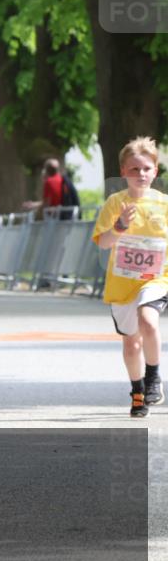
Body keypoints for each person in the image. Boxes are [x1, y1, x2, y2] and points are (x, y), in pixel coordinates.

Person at [92, 137, 167, 417]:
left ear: (155, 171)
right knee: (132, 343)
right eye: (134, 169)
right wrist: (120, 226)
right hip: (123, 284)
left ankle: (153, 377)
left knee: (148, 320)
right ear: (123, 171)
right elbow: (103, 242)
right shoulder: (115, 203)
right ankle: (137, 391)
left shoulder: (164, 204)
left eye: (146, 168)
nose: (141, 174)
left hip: (156, 279)